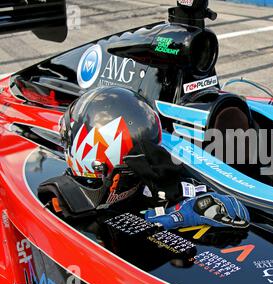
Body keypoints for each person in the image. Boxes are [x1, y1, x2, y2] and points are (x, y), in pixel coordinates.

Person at [38, 86, 250, 230]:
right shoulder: (59, 203)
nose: (152, 157)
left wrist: (189, 208)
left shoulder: (148, 185)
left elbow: (234, 207)